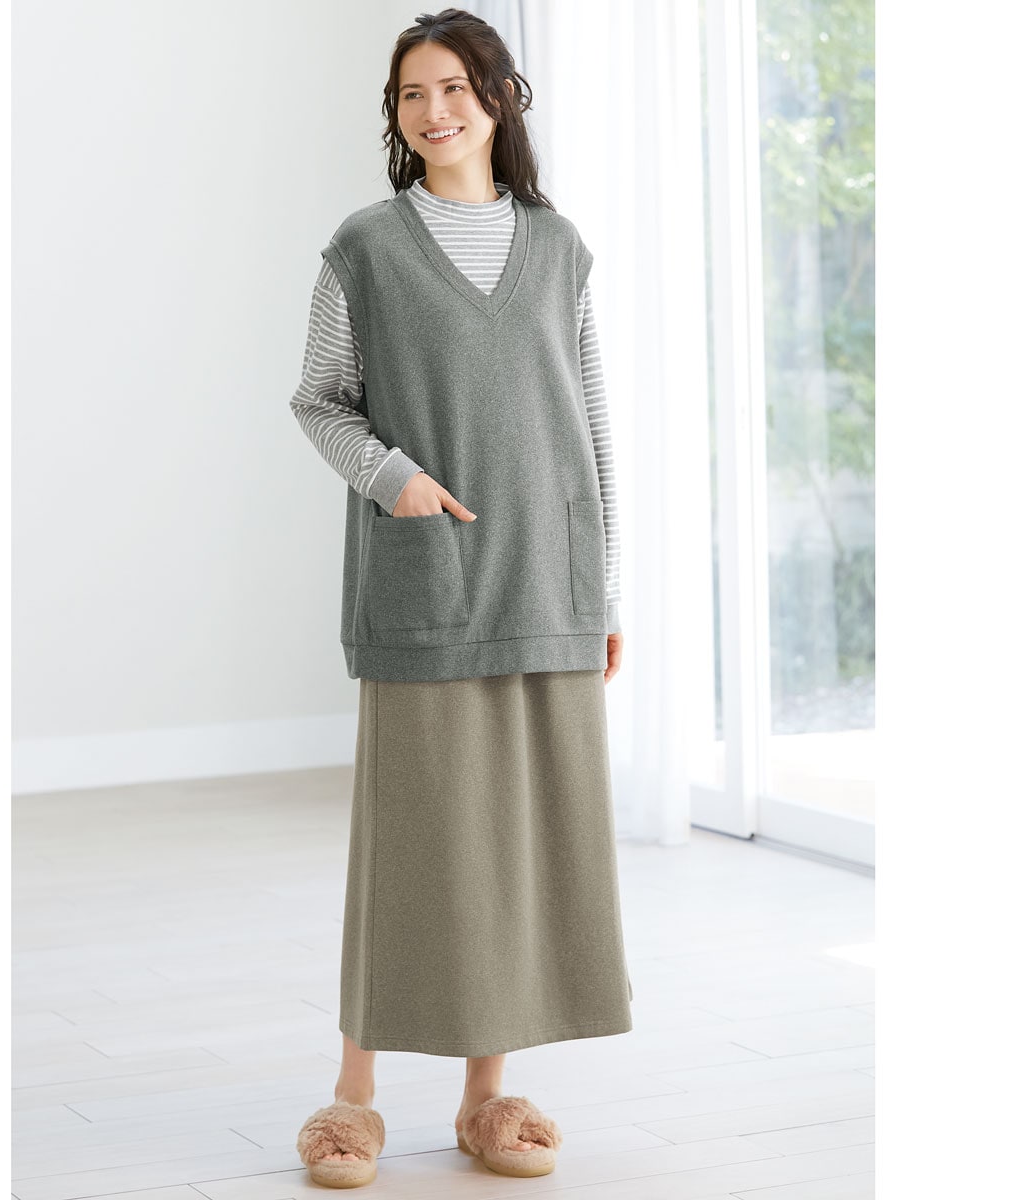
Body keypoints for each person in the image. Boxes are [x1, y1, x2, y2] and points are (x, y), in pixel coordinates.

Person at [289, 8, 633, 1187]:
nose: (433, 112)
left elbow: (591, 423)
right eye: (411, 95)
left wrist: (606, 589)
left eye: (454, 88)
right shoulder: (365, 248)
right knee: (415, 839)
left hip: (547, 575)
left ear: (500, 98)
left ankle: (488, 1097)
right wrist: (395, 481)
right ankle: (353, 1094)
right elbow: (320, 401)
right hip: (424, 584)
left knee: (521, 843)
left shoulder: (560, 247)